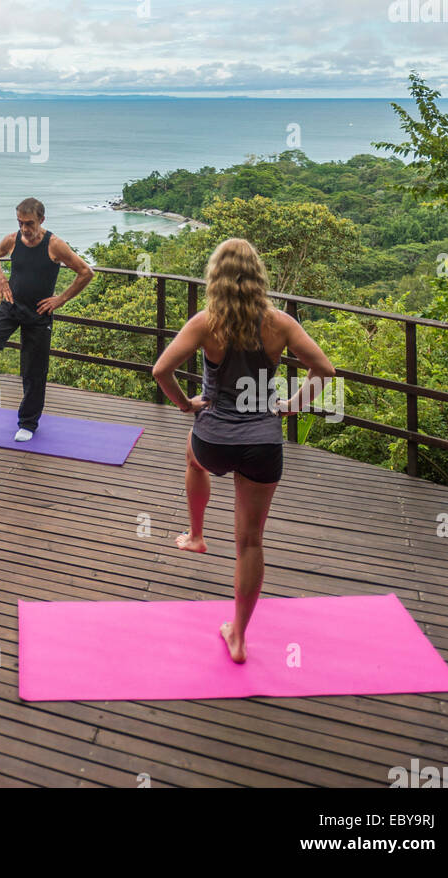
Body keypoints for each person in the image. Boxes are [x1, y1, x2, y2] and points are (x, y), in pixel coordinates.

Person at [152, 236, 335, 663]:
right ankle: (238, 637)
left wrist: (185, 405)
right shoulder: (280, 323)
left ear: (215, 277)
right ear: (258, 277)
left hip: (213, 439)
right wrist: (292, 406)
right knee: (250, 541)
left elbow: (161, 369)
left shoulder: (205, 322)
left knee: (193, 458)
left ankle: (196, 535)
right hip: (263, 443)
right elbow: (324, 369)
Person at [0, 198, 94, 441]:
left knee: (33, 371)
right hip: (11, 305)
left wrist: (59, 300)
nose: (24, 229)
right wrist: (1, 279)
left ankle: (27, 424)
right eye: (20, 223)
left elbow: (85, 272)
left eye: (29, 223)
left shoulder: (55, 245)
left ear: (41, 220)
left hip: (39, 314)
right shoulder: (12, 240)